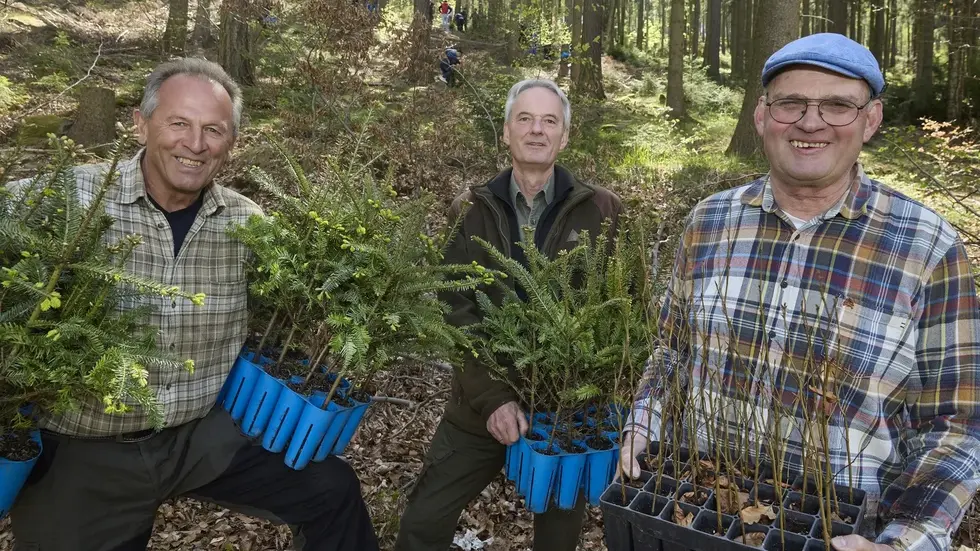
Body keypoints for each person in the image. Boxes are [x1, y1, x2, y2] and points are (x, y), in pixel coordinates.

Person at [620, 33, 980, 551]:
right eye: (791, 103)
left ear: (870, 120)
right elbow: (673, 351)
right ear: (762, 116)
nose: (811, 123)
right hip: (695, 512)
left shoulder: (926, 247)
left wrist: (907, 539)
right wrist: (643, 421)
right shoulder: (709, 222)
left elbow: (956, 420)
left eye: (837, 106)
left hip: (837, 533)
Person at [7, 58, 380, 551]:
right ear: (141, 124)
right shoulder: (63, 198)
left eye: (214, 130)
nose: (196, 144)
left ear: (232, 143)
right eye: (178, 123)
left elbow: (291, 314)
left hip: (202, 435)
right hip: (84, 447)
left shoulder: (248, 225)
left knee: (331, 490)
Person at [395, 78, 624, 551]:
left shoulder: (603, 211)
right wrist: (494, 397)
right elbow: (452, 308)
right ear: (505, 132)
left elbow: (623, 312)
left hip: (565, 416)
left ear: (565, 135)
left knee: (558, 540)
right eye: (525, 119)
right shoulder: (471, 208)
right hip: (478, 404)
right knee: (423, 522)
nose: (536, 130)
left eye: (548, 121)